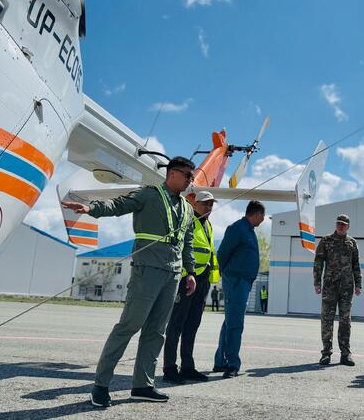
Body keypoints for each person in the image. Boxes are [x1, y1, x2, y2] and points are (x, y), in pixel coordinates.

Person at [62, 156, 198, 407]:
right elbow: (119, 205)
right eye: (189, 176)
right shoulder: (148, 195)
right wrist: (92, 209)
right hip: (147, 270)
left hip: (172, 275)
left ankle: (143, 386)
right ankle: (101, 385)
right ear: (173, 174)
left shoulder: (187, 208)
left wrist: (190, 272)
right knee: (129, 325)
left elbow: (187, 241)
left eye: (193, 177)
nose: (192, 181)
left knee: (156, 332)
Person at [163, 190, 219, 384]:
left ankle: (188, 366)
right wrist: (187, 274)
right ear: (194, 204)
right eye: (205, 203)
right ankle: (169, 368)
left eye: (211, 204)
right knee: (176, 325)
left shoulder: (207, 225)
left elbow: (209, 252)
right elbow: (179, 249)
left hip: (203, 280)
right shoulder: (187, 221)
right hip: (187, 279)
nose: (209, 207)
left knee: (192, 325)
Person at [213, 200, 264, 378]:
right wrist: (229, 275)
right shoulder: (237, 228)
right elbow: (222, 253)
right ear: (256, 214)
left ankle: (220, 361)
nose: (263, 220)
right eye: (262, 217)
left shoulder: (248, 230)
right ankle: (232, 364)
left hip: (242, 281)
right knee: (235, 324)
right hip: (236, 281)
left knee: (229, 321)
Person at [314, 214, 362, 366]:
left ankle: (345, 354)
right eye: (338, 224)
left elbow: (356, 265)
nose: (341, 226)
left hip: (346, 288)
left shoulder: (352, 243)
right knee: (327, 320)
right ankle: (326, 353)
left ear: (348, 227)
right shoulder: (326, 240)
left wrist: (358, 284)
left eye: (344, 224)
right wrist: (317, 282)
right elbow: (318, 262)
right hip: (330, 286)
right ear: (336, 224)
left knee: (345, 321)